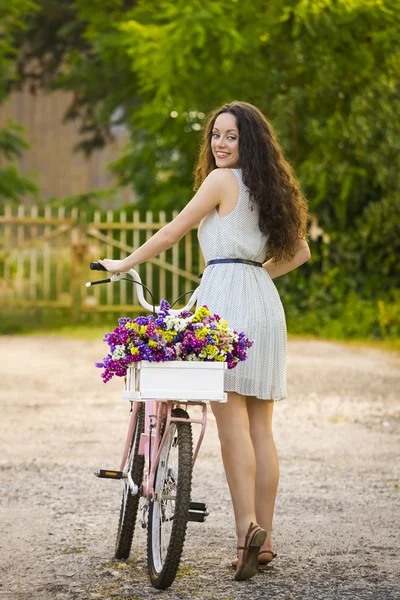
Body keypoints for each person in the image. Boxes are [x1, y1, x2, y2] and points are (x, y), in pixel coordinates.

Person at [99, 100, 310, 581]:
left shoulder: (221, 182)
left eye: (231, 136)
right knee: (262, 427)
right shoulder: (270, 187)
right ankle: (267, 538)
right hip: (263, 300)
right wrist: (258, 276)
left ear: (247, 142)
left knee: (231, 421)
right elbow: (301, 251)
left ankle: (245, 536)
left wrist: (122, 264)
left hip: (228, 302)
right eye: (216, 134)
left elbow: (173, 232)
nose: (219, 143)